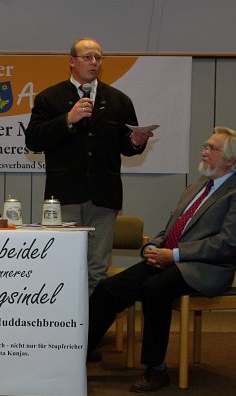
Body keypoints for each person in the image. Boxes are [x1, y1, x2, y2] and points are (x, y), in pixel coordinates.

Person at [87, 126, 236, 392]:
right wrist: (154, 247)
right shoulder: (195, 188)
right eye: (205, 146)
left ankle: (156, 369)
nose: (204, 152)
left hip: (206, 269)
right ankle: (78, 350)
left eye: (212, 148)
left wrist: (175, 255)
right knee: (109, 288)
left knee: (155, 288)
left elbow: (228, 244)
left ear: (231, 160)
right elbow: (170, 230)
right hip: (172, 261)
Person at [25, 37, 153, 295]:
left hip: (104, 196)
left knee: (97, 270)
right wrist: (67, 119)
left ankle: (93, 321)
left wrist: (135, 141)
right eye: (88, 57)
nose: (94, 62)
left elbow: (126, 145)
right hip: (65, 196)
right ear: (72, 61)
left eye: (98, 57)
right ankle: (65, 319)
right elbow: (33, 140)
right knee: (63, 267)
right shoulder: (49, 98)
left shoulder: (118, 100)